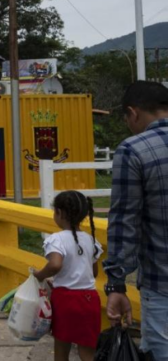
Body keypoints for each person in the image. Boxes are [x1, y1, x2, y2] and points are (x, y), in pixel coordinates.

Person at [104, 81, 168, 359]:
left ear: (133, 113)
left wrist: (116, 284)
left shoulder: (134, 149)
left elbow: (124, 222)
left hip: (162, 284)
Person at [33, 191, 102, 361]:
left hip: (66, 299)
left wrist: (39, 275)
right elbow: (93, 273)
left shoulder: (57, 239)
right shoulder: (90, 240)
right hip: (90, 299)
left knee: (62, 347)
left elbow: (55, 264)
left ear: (60, 213)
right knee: (87, 350)